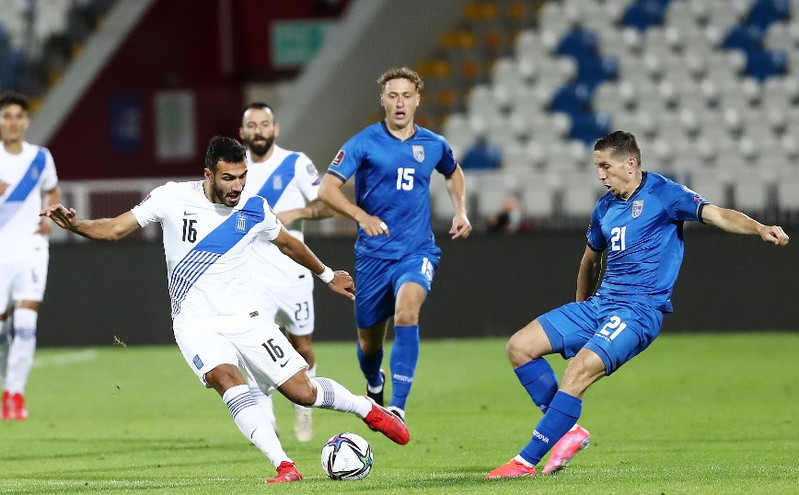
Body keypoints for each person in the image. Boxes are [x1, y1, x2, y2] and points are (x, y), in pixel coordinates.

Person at [41, 136, 409, 484]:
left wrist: (327, 275)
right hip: (196, 324)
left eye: (243, 176)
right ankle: (284, 465)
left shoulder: (254, 208)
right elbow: (114, 229)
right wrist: (77, 225)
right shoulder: (171, 198)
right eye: (229, 178)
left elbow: (287, 243)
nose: (238, 186)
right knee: (227, 379)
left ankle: (366, 409)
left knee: (302, 392)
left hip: (247, 319)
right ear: (208, 174)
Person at [487, 130, 789, 479]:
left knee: (578, 372)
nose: (600, 175)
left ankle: (524, 463)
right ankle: (567, 431)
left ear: (630, 164)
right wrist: (580, 308)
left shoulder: (664, 194)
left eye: (605, 166)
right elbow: (590, 260)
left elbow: (717, 215)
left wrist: (759, 227)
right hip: (600, 305)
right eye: (597, 167)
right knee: (519, 347)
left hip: (638, 311)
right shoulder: (605, 207)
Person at [318, 67, 472, 422]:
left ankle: (397, 407)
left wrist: (460, 209)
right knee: (369, 344)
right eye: (393, 96)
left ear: (417, 100)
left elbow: (453, 171)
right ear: (383, 101)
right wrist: (361, 216)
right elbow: (327, 188)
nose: (400, 102)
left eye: (406, 95)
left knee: (406, 312)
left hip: (416, 251)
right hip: (372, 257)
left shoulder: (433, 144)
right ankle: (375, 381)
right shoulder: (364, 142)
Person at [239, 102, 333, 442]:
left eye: (264, 124)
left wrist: (298, 212)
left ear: (275, 129)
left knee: (302, 346)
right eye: (252, 125)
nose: (259, 131)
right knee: (253, 346)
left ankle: (303, 405)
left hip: (293, 274)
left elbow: (328, 204)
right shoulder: (236, 168)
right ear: (242, 132)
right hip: (251, 275)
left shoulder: (295, 163)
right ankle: (267, 419)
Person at [0, 92, 60, 420]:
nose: (13, 122)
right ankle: (6, 384)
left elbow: (52, 189)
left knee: (25, 321)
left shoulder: (40, 157)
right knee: (3, 330)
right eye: (6, 116)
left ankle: (15, 394)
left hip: (31, 249)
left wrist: (49, 214)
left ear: (26, 121)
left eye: (18, 116)